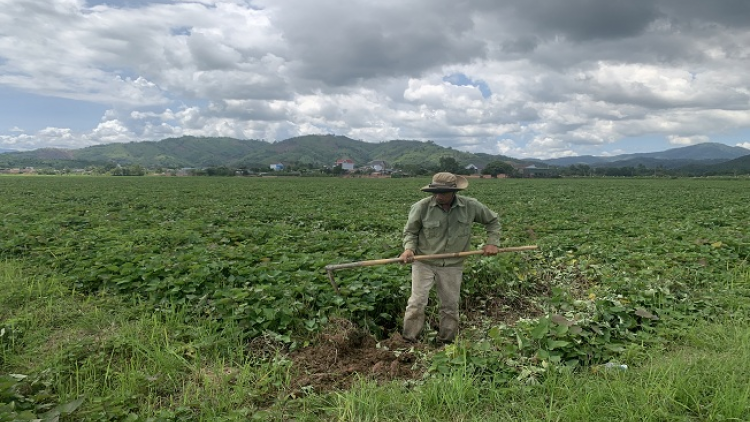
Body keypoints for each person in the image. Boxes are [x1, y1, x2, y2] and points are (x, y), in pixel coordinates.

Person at [400, 172, 501, 344]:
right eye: (436, 192)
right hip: (424, 262)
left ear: (454, 192)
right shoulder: (421, 207)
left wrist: (492, 243)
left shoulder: (470, 206)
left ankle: (446, 341)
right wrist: (409, 249)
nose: (438, 196)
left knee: (450, 306)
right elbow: (411, 232)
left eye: (443, 192)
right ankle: (408, 340)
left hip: (453, 265)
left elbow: (493, 221)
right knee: (417, 302)